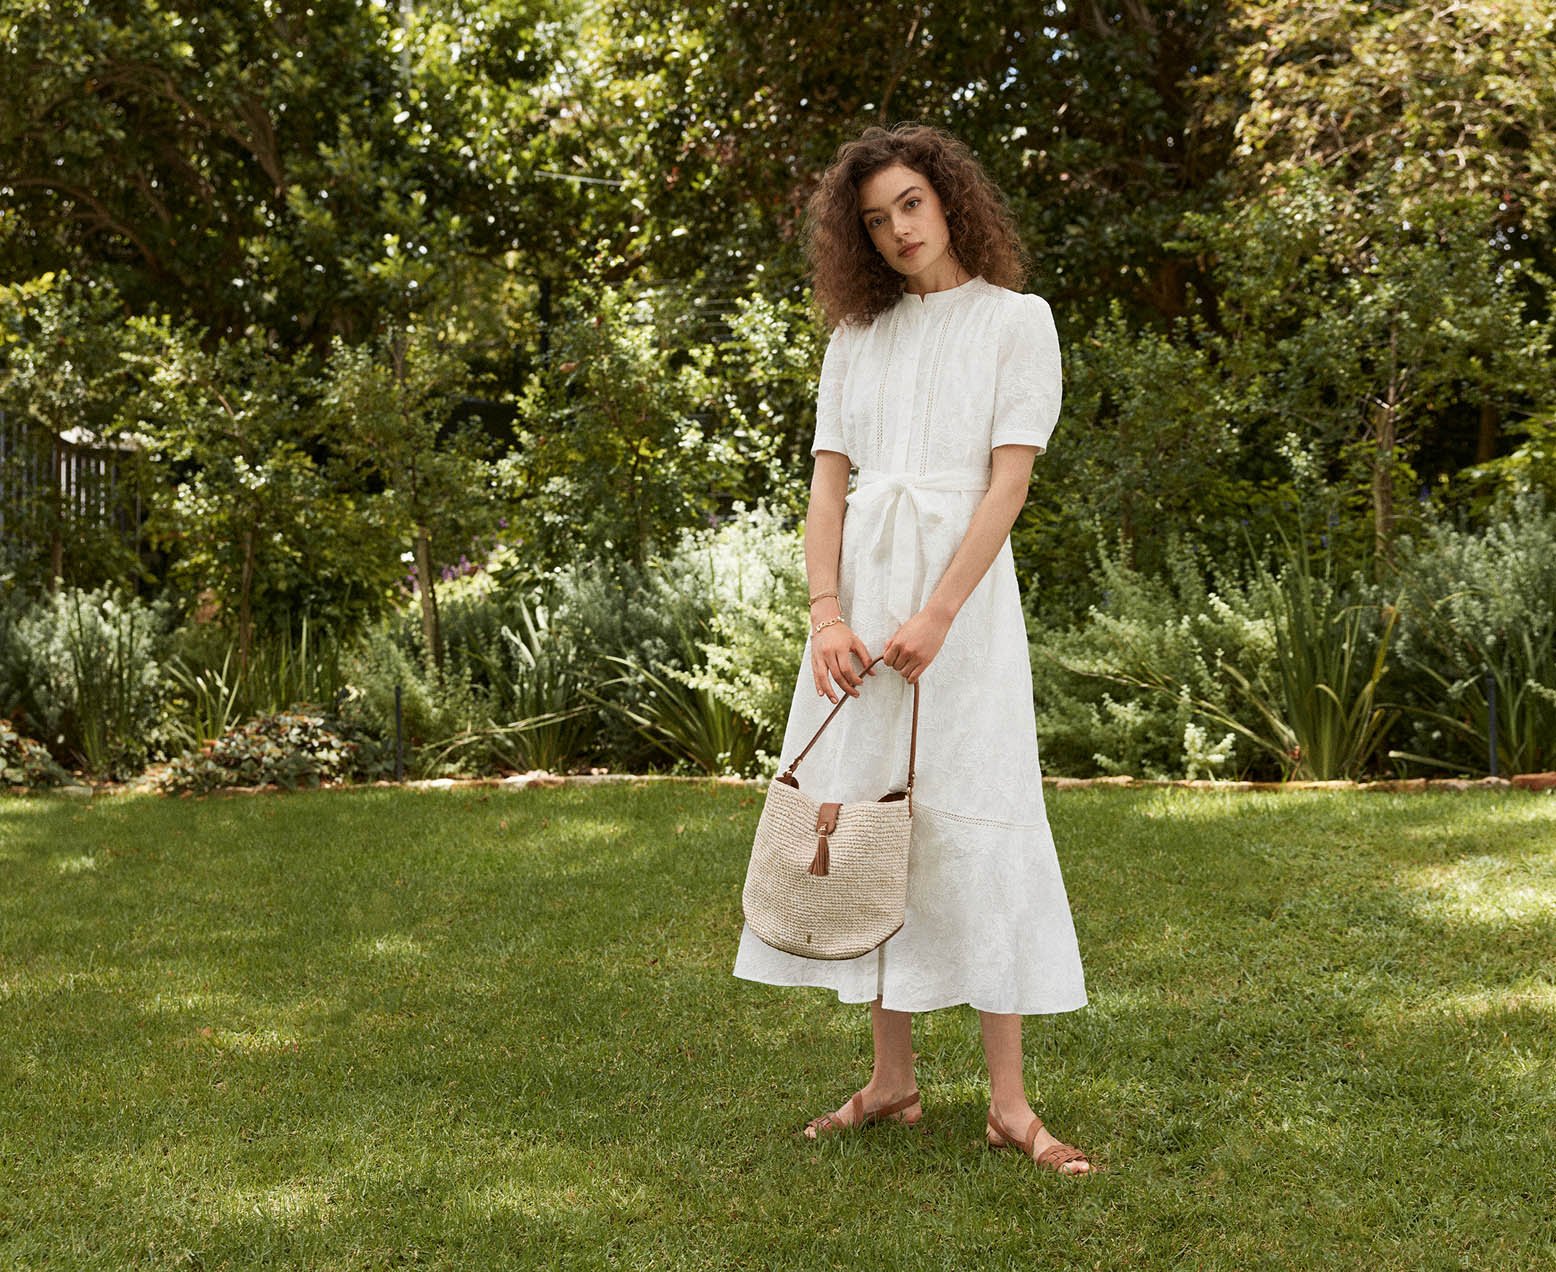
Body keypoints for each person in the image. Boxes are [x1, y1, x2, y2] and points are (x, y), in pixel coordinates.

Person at [731, 123, 1094, 1175]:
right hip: (859, 611)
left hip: (961, 613)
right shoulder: (855, 340)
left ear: (948, 202)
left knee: (972, 820)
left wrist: (937, 614)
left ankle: (1010, 1104)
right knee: (864, 825)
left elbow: (1008, 484)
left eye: (909, 206)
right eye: (874, 218)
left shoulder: (1017, 323)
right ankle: (890, 1081)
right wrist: (824, 613)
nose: (895, 230)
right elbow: (826, 490)